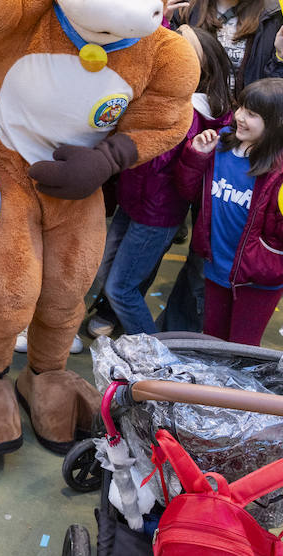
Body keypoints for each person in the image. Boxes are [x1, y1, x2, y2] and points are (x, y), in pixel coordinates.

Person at [100, 27, 234, 336]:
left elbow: (165, 165)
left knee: (121, 288)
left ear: (199, 68)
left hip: (157, 214)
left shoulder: (198, 116)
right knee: (107, 273)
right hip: (131, 202)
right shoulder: (162, 97)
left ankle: (155, 356)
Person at [174, 78, 283, 344]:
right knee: (213, 342)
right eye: (240, 107)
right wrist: (196, 155)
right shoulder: (222, 144)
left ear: (280, 121)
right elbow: (188, 192)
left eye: (251, 114)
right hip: (217, 267)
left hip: (257, 278)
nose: (239, 116)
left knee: (242, 348)